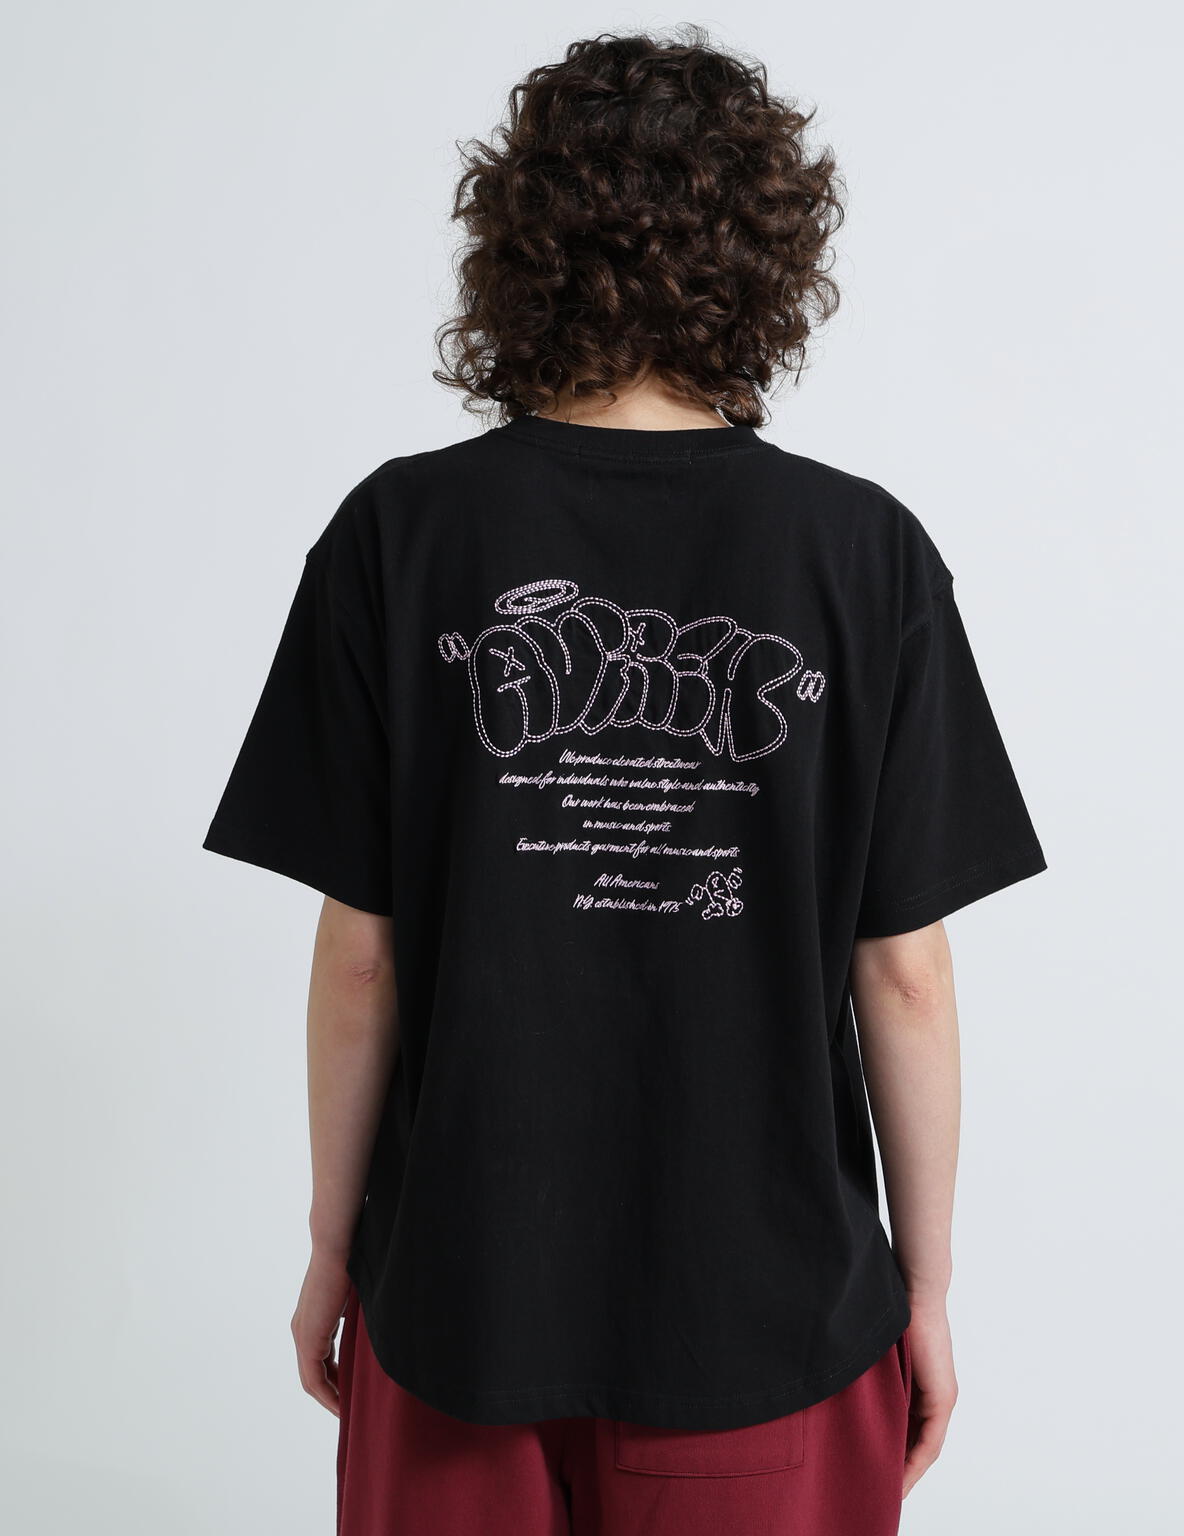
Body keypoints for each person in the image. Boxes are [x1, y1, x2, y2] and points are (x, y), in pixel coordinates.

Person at [201, 28, 1047, 1536]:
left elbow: (359, 958)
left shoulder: (400, 535)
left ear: (519, 247)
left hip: (458, 1301)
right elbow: (905, 973)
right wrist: (925, 1288)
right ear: (766, 253)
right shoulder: (863, 555)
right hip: (774, 1320)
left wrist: (333, 1252)